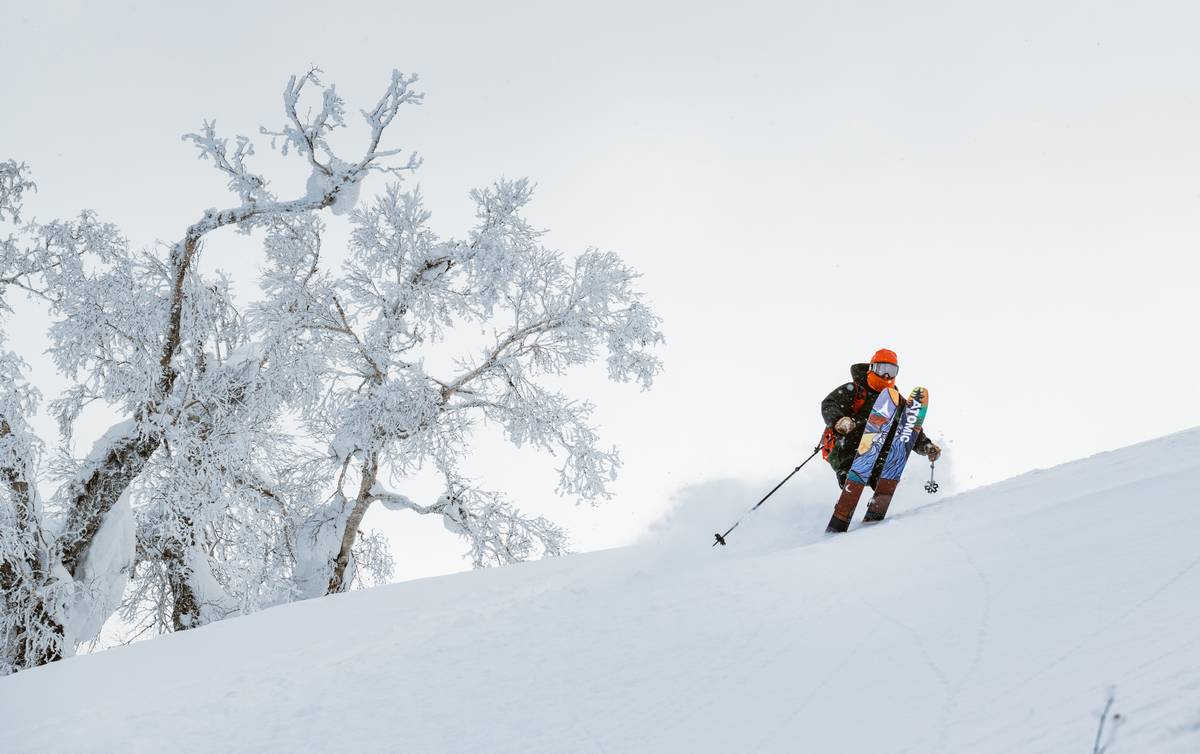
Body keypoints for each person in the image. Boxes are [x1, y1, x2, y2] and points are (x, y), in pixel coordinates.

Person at [820, 348, 940, 491]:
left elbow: (909, 426)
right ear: (871, 368)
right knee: (862, 427)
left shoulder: (896, 401)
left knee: (894, 428)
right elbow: (829, 404)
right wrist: (838, 420)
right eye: (881, 369)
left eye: (891, 370)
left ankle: (881, 474)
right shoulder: (855, 390)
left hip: (876, 449)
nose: (886, 375)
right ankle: (848, 473)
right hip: (844, 446)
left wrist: (926, 446)